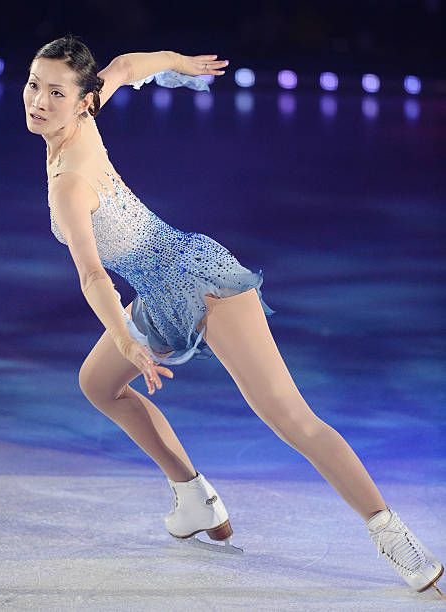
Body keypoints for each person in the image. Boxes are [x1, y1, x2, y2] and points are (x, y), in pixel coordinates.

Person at [23, 34, 443, 596]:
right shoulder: (85, 113)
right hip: (158, 291)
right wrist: (174, 64)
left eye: (55, 92)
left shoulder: (67, 185)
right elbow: (124, 66)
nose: (39, 101)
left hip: (200, 279)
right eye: (33, 85)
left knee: (290, 418)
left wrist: (124, 338)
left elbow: (94, 276)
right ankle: (195, 498)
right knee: (98, 385)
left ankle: (393, 536)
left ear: (83, 101)